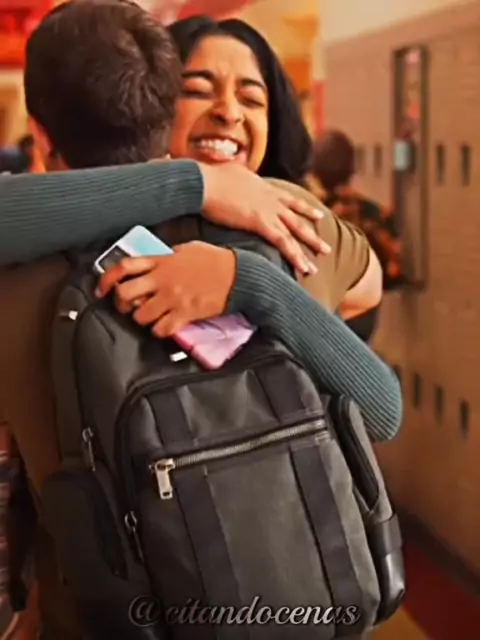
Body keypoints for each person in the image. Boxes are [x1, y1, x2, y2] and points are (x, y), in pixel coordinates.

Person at [308, 129, 406, 341]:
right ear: (351, 169)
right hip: (361, 318)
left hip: (317, 318)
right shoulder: (373, 214)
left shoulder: (307, 212)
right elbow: (395, 271)